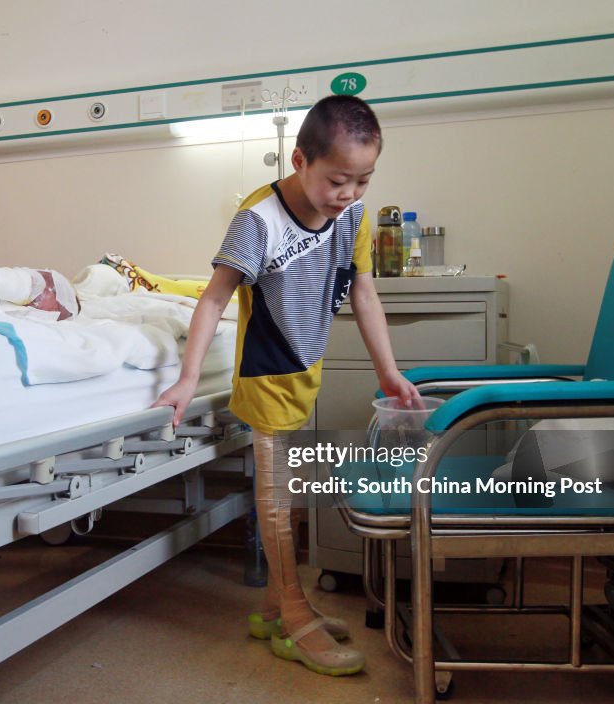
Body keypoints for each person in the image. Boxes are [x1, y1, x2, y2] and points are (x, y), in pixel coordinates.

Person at [154, 95, 420, 677]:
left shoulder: (353, 214)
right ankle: (296, 618)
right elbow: (215, 296)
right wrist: (187, 378)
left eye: (363, 180)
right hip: (266, 374)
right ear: (300, 159)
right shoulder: (259, 218)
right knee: (278, 505)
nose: (348, 193)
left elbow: (363, 293)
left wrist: (388, 371)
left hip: (307, 371)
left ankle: (277, 610)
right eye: (336, 180)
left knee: (289, 498)